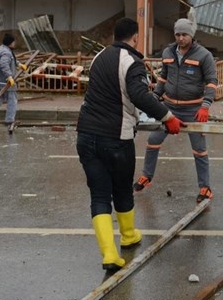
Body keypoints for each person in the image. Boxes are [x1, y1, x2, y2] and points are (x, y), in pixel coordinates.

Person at [76, 17, 184, 273]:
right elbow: (139, 95)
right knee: (122, 189)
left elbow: (110, 91)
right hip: (115, 137)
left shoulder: (99, 57)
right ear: (135, 38)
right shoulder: (131, 61)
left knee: (100, 195)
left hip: (86, 135)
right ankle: (127, 235)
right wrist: (168, 117)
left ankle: (110, 253)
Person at [134, 17, 219, 203]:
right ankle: (146, 176)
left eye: (184, 35)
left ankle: (205, 188)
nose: (181, 38)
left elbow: (212, 82)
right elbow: (163, 78)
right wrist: (155, 97)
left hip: (193, 110)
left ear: (191, 35)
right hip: (169, 107)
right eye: (178, 34)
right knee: (153, 141)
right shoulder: (168, 52)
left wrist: (205, 106)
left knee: (199, 150)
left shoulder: (203, 55)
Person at [0, 33, 26, 134]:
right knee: (12, 100)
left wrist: (19, 64)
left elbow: (12, 60)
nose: (14, 43)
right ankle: (10, 120)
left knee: (0, 98)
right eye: (13, 42)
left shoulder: (1, 49)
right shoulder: (6, 52)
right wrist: (9, 76)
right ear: (10, 43)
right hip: (5, 82)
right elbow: (4, 64)